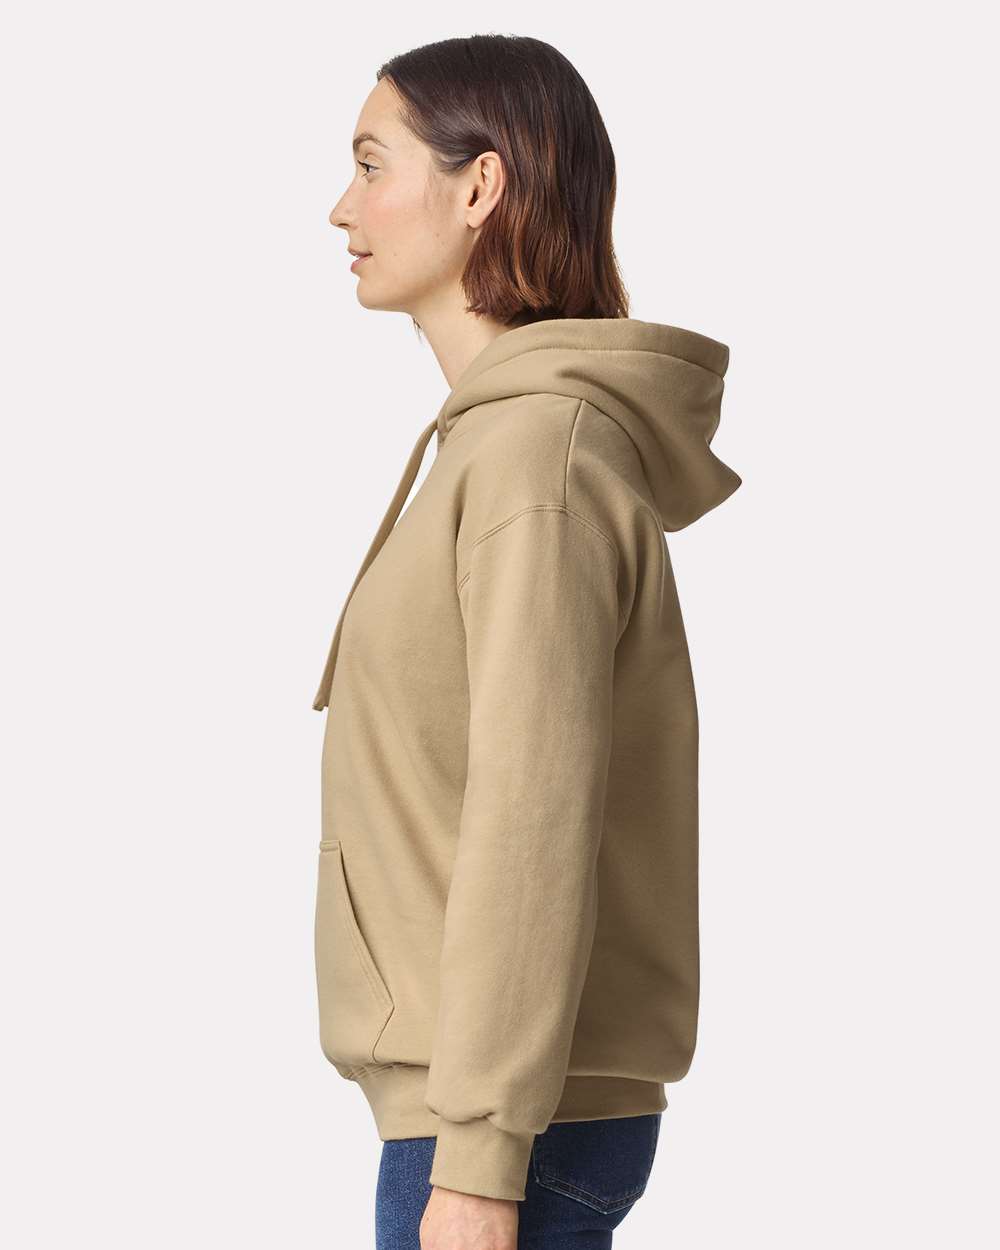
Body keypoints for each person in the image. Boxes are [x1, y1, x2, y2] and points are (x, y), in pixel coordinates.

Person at [312, 34, 742, 1250]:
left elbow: (531, 818)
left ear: (480, 188)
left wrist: (480, 1155)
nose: (341, 207)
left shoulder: (532, 461)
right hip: (490, 1110)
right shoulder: (502, 449)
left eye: (371, 164)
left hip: (503, 1127)